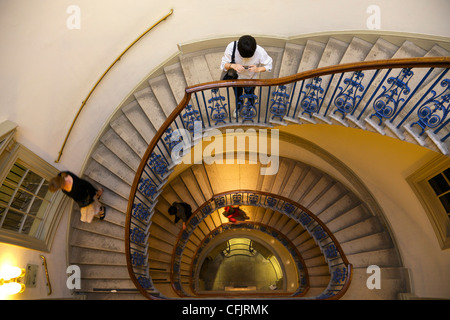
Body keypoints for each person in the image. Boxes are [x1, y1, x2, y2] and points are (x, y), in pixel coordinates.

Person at [220, 35, 273, 117]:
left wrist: (257, 69)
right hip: (236, 78)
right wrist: (232, 66)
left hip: (251, 79)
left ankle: (250, 107)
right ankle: (239, 107)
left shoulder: (260, 51)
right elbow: (223, 64)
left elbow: (269, 66)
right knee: (238, 94)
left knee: (250, 93)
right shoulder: (231, 47)